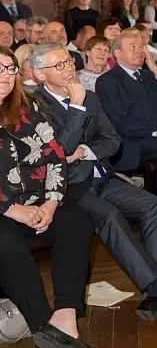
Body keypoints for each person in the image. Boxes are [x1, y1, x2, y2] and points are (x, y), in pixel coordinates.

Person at [30, 43, 157, 326]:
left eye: (68, 62)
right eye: (59, 65)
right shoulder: (36, 106)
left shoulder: (88, 97)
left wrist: (86, 151)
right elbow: (58, 152)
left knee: (155, 207)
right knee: (111, 217)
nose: (68, 69)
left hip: (101, 175)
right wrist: (76, 109)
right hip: (67, 188)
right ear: (40, 75)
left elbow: (112, 139)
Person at [0, 47, 95, 348]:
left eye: (10, 69)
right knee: (6, 240)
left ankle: (65, 317)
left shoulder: (27, 110)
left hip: (35, 203)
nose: (5, 75)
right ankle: (42, 323)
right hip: (4, 210)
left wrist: (51, 203)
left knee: (78, 222)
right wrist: (10, 208)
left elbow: (55, 157)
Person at [95, 29, 157, 238]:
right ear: (117, 53)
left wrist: (156, 70)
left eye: (141, 46)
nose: (139, 51)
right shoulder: (108, 81)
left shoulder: (148, 76)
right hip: (132, 141)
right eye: (132, 46)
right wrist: (155, 133)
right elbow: (120, 122)